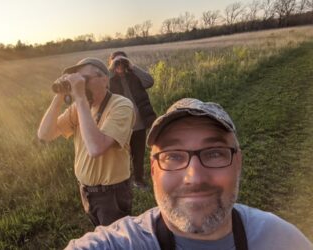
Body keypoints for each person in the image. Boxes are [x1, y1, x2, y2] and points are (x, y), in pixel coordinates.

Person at [65, 98, 313, 249]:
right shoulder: (121, 243)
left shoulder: (282, 239)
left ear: (238, 163)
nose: (194, 177)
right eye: (173, 156)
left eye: (214, 153)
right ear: (153, 171)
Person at [38, 57, 135, 226]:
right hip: (86, 191)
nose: (80, 85)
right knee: (102, 235)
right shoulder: (80, 108)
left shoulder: (121, 105)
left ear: (105, 79)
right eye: (77, 80)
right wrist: (60, 95)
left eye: (85, 79)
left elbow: (95, 148)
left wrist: (80, 97)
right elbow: (45, 134)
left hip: (111, 194)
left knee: (116, 242)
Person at [108, 51, 157, 189]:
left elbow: (150, 81)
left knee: (139, 153)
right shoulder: (110, 81)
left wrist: (132, 66)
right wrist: (111, 69)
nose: (119, 65)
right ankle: (123, 180)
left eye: (122, 62)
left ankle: (139, 179)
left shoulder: (134, 76)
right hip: (121, 125)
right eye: (116, 62)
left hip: (139, 123)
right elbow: (103, 88)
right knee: (121, 154)